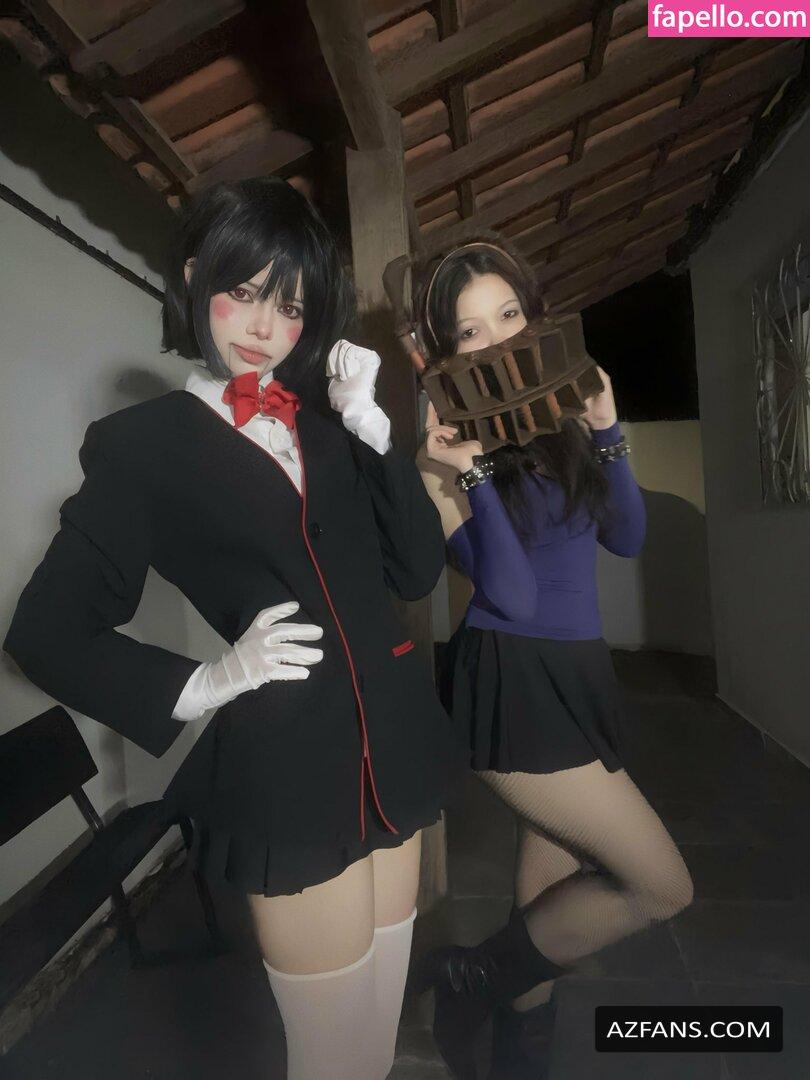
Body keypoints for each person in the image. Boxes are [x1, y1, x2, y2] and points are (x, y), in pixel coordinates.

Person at [3, 178, 465, 1080]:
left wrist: (373, 430)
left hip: (397, 749)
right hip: (291, 775)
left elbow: (415, 571)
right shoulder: (142, 446)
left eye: (289, 307)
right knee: (333, 1060)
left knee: (376, 1047)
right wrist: (207, 680)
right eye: (244, 291)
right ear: (193, 276)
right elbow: (46, 631)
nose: (263, 326)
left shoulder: (332, 426)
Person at [414, 241, 694, 1080]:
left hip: (576, 672)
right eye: (470, 331)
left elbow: (627, 537)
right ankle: (469, 978)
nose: (496, 340)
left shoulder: (557, 423)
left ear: (535, 319)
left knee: (548, 880)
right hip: (514, 681)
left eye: (508, 315)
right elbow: (513, 594)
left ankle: (519, 1050)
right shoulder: (441, 458)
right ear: (444, 352)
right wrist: (468, 476)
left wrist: (606, 429)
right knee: (661, 886)